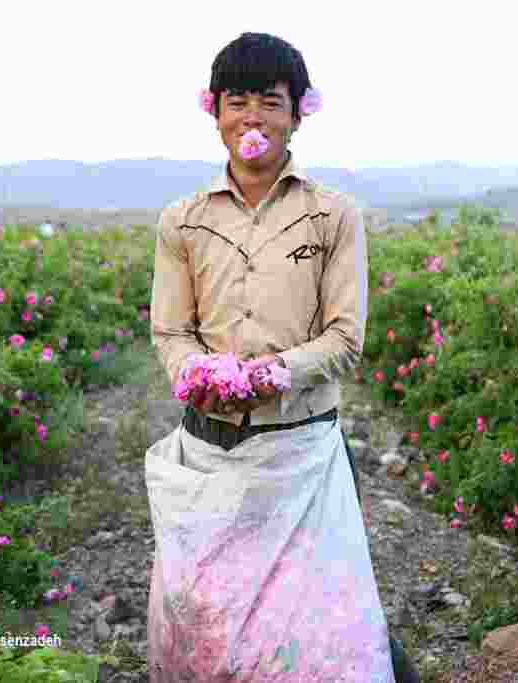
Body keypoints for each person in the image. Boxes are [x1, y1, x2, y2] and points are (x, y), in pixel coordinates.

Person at [149, 31, 419, 682]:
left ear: (299, 112)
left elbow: (344, 336)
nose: (253, 119)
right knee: (204, 621)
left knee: (322, 631)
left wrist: (272, 375)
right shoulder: (182, 221)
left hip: (298, 447)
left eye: (270, 101)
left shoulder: (332, 216)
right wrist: (196, 374)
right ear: (213, 113)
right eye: (237, 101)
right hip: (208, 449)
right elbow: (171, 332)